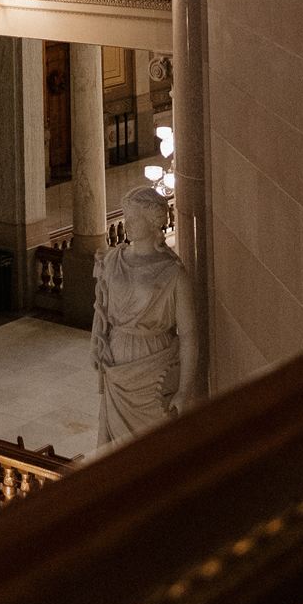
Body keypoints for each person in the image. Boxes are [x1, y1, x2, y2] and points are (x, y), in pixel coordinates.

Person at [90, 184, 198, 445]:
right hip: (117, 360)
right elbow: (101, 310)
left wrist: (184, 390)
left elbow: (189, 334)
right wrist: (97, 342)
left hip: (153, 361)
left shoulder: (173, 274)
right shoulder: (113, 260)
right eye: (127, 217)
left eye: (134, 218)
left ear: (153, 221)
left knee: (154, 443)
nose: (127, 224)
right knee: (116, 446)